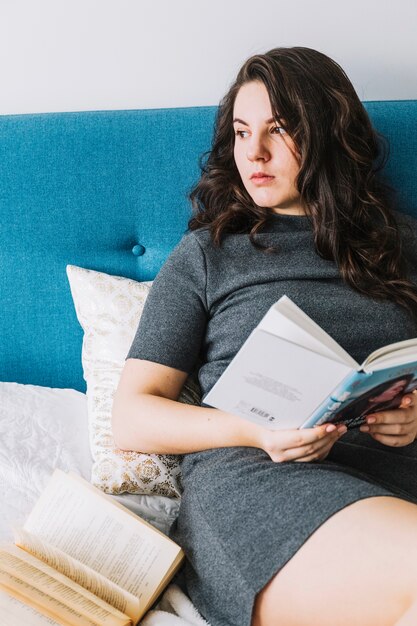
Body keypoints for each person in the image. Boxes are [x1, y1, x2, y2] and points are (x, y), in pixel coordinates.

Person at [112, 47, 417, 626]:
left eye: (279, 130)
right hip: (261, 480)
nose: (254, 152)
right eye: (242, 131)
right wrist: (255, 430)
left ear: (327, 134)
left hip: (395, 474)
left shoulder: (402, 242)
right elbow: (131, 415)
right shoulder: (209, 254)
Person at [331, 375, 415, 429]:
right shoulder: (344, 411)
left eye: (402, 388)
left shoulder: (395, 404)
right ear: (373, 397)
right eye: (395, 389)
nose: (400, 390)